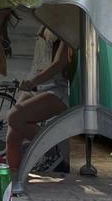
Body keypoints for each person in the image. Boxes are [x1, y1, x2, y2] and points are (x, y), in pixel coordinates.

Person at [5, 25, 74, 172]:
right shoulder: (44, 22)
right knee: (12, 134)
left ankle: (52, 150)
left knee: (14, 117)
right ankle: (13, 179)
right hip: (36, 87)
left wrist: (32, 82)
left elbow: (59, 63)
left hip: (55, 90)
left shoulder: (66, 27)